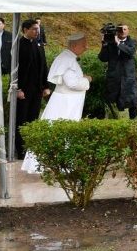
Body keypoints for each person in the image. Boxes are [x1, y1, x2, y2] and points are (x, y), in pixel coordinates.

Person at [22, 33, 92, 174]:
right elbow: (72, 83)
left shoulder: (68, 58)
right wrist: (87, 80)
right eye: (83, 45)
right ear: (74, 45)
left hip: (66, 102)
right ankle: (58, 165)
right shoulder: (67, 59)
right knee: (62, 131)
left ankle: (62, 163)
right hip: (65, 105)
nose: (86, 47)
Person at [14, 19, 49, 156]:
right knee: (22, 118)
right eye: (34, 29)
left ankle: (31, 148)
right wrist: (18, 88)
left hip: (37, 88)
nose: (37, 31)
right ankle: (21, 149)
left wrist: (45, 86)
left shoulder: (38, 44)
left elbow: (43, 66)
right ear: (25, 30)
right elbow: (14, 69)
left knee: (33, 118)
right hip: (24, 89)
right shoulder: (18, 45)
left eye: (38, 28)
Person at [99, 23, 137, 119]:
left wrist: (118, 43)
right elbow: (103, 58)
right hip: (114, 78)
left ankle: (134, 123)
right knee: (112, 103)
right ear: (116, 31)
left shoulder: (132, 42)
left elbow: (130, 52)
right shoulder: (110, 43)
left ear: (128, 30)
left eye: (125, 29)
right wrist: (104, 45)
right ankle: (114, 123)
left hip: (128, 78)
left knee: (132, 103)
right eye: (121, 30)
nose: (123, 31)